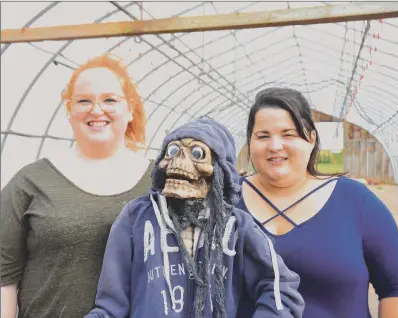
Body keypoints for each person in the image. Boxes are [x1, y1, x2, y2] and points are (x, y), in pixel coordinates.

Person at [85, 119, 304, 318]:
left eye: (197, 154)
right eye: (172, 151)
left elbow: (279, 286)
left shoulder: (236, 226)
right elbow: (111, 307)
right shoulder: (136, 217)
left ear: (221, 171)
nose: (178, 162)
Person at [0, 54, 153, 318]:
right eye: (84, 100)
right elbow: (4, 279)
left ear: (130, 110)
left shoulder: (159, 182)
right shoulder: (31, 182)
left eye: (109, 100)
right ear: (70, 112)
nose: (96, 110)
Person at [235, 88, 398, 318]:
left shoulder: (355, 201)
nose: (274, 146)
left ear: (311, 139)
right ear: (250, 142)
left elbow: (396, 287)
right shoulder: (228, 200)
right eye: (263, 136)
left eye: (288, 134)